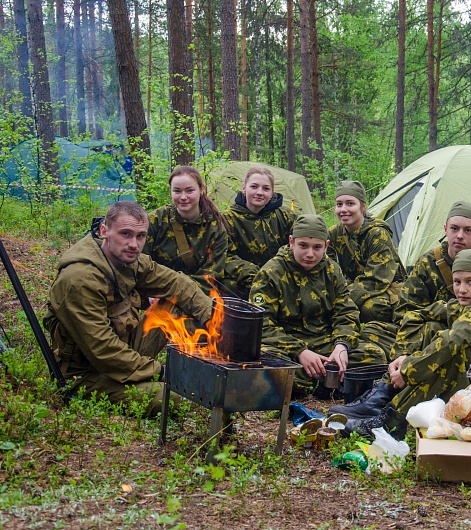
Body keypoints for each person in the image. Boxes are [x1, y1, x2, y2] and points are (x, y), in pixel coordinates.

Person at [339, 248, 471, 440]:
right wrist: (404, 355)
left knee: (454, 353)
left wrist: (408, 370)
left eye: (470, 282)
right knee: (433, 329)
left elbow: (452, 342)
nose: (462, 289)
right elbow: (421, 314)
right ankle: (388, 401)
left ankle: (391, 422)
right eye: (457, 282)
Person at [43, 201, 213, 417]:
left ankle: (212, 360)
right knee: (172, 397)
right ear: (104, 231)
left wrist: (216, 322)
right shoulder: (79, 280)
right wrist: (160, 372)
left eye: (140, 236)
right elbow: (103, 351)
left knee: (174, 305)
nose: (134, 244)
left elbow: (178, 283)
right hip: (87, 373)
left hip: (125, 348)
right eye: (125, 234)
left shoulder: (128, 259)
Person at [249, 214, 387, 394]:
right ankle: (326, 381)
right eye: (303, 246)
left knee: (374, 355)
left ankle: (320, 379)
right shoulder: (271, 273)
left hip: (324, 342)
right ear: (291, 242)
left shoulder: (331, 270)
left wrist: (341, 346)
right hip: (287, 346)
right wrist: (300, 351)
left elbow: (345, 313)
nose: (310, 254)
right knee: (266, 361)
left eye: (317, 247)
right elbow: (261, 324)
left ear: (326, 246)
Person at [328, 180, 407, 323]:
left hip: (386, 288)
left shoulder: (377, 234)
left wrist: (342, 299)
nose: (343, 209)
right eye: (339, 204)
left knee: (370, 308)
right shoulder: (334, 233)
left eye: (350, 204)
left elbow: (377, 279)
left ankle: (385, 330)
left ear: (362, 207)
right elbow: (327, 268)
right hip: (355, 286)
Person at [143, 165, 229, 295]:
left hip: (197, 294)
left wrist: (176, 292)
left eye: (189, 191)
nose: (183, 197)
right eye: (177, 191)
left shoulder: (215, 227)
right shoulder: (156, 220)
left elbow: (212, 275)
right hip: (157, 291)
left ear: (201, 190)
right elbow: (141, 262)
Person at [396, 200, 471, 317]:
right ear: (445, 229)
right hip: (433, 328)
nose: (460, 236)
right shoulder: (427, 263)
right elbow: (406, 311)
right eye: (454, 228)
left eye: (467, 230)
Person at [222, 165, 296, 297]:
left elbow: (298, 245)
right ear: (244, 188)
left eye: (266, 188)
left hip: (281, 276)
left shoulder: (285, 216)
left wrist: (277, 270)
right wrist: (257, 274)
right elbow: (225, 256)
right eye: (254, 187)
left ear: (272, 193)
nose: (259, 192)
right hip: (247, 280)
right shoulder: (228, 219)